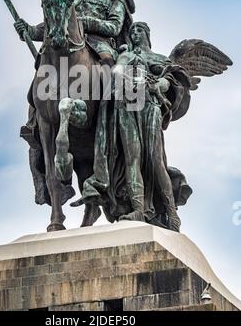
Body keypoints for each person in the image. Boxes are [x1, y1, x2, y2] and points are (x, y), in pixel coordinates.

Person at [14, 0, 134, 147]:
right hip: (67, 45)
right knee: (42, 71)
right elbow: (56, 22)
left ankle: (112, 117)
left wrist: (81, 22)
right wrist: (30, 30)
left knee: (110, 72)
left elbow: (114, 27)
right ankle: (34, 122)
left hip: (101, 47)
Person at [82, 22, 192, 231]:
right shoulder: (125, 55)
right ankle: (138, 209)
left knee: (155, 160)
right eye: (132, 31)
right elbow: (116, 73)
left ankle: (171, 213)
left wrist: (162, 84)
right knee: (132, 157)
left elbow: (173, 79)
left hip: (149, 104)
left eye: (139, 30)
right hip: (126, 104)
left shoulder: (159, 58)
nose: (134, 33)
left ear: (147, 35)